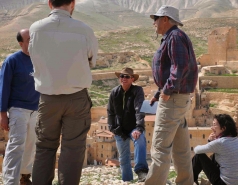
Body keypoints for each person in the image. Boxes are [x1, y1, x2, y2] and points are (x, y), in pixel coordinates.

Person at [28, 0, 98, 184]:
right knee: (73, 149)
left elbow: (33, 58)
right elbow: (92, 60)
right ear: (73, 4)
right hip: (76, 98)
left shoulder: (35, 29)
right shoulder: (84, 29)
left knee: (44, 148)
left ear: (50, 3)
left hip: (48, 99)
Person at [145, 5, 198, 185]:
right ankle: (185, 182)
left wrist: (167, 91)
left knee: (160, 147)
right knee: (181, 149)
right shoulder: (175, 37)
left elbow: (179, 67)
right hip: (178, 99)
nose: (154, 24)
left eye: (156, 19)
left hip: (173, 100)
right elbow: (174, 69)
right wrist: (160, 91)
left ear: (165, 19)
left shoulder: (174, 37)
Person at [0, 29, 40, 185]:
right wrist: (2, 113)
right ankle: (11, 181)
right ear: (21, 43)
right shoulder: (12, 60)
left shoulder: (38, 59)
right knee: (16, 145)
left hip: (35, 109)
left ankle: (24, 176)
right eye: (29, 38)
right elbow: (3, 87)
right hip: (18, 109)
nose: (32, 41)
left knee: (31, 144)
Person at [107, 67, 148, 182]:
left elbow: (139, 108)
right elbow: (110, 112)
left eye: (127, 77)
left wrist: (139, 128)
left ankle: (141, 171)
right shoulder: (114, 92)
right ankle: (127, 181)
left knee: (140, 140)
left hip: (134, 127)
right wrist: (113, 128)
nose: (123, 78)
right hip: (119, 129)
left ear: (132, 79)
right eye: (122, 76)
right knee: (124, 159)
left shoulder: (137, 91)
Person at [193, 114, 238, 185]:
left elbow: (196, 150)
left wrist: (210, 141)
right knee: (215, 155)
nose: (212, 128)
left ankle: (189, 180)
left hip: (223, 183)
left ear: (223, 128)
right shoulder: (236, 140)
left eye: (214, 125)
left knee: (199, 156)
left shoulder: (220, 142)